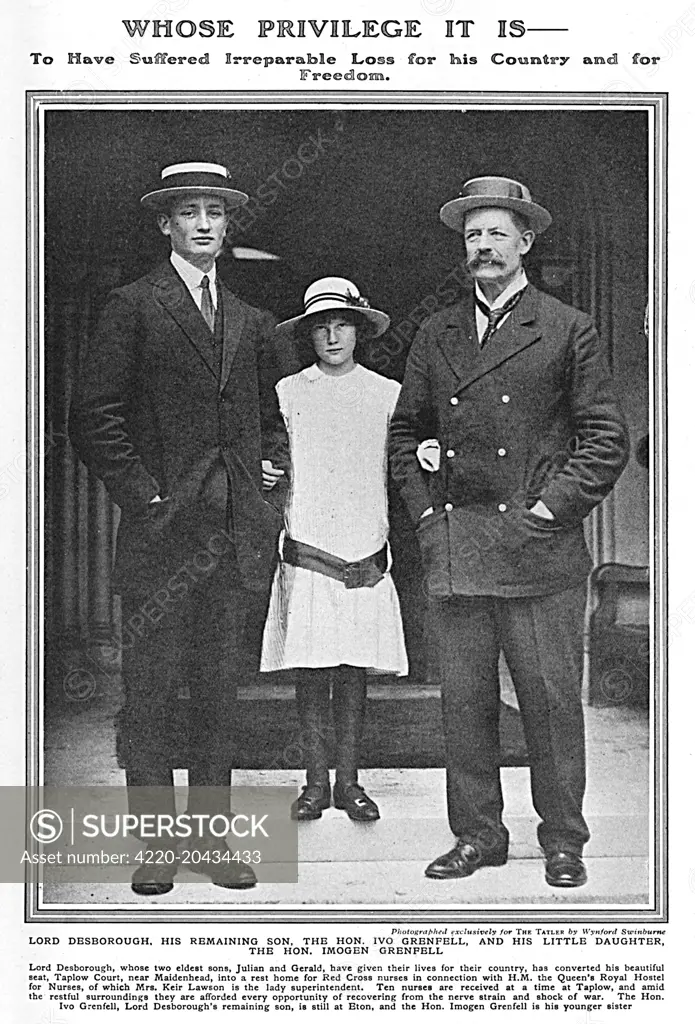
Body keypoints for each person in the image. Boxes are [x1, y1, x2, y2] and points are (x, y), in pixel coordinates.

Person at [389, 176, 629, 887]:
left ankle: (562, 840)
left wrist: (549, 510)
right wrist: (427, 517)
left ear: (525, 242)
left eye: (496, 233)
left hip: (538, 549)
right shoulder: (435, 332)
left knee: (550, 704)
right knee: (462, 706)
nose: (483, 247)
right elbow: (405, 435)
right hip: (458, 547)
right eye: (472, 235)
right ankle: (477, 835)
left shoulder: (564, 326)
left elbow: (604, 439)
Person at [69, 162, 288, 896]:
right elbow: (93, 417)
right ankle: (156, 847)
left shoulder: (252, 320)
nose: (203, 224)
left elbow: (273, 420)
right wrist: (148, 497)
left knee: (218, 692)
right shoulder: (132, 306)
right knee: (154, 691)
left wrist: (270, 476)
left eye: (215, 213)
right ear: (164, 224)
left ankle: (214, 843)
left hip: (231, 537)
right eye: (189, 212)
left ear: (228, 226)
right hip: (161, 539)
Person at [260, 277, 408, 822]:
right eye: (321, 326)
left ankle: (349, 782)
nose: (332, 334)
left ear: (359, 330)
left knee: (352, 671)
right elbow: (270, 460)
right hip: (308, 547)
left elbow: (404, 461)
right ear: (308, 334)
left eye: (342, 323)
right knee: (313, 670)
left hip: (365, 548)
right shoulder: (288, 393)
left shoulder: (387, 394)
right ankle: (314, 783)